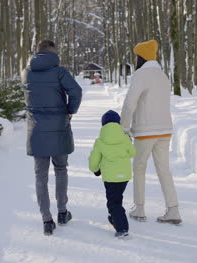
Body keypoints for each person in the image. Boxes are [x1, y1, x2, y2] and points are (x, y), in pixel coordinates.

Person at [22, 40, 82, 235]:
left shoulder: (26, 72)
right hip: (58, 127)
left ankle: (47, 219)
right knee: (61, 169)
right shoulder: (59, 72)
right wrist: (70, 110)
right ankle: (63, 212)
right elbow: (76, 91)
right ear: (52, 52)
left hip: (36, 129)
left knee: (40, 175)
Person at [120, 40, 182, 224]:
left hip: (145, 131)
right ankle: (173, 210)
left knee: (139, 168)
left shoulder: (141, 75)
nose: (135, 59)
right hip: (164, 130)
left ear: (141, 57)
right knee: (164, 170)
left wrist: (124, 127)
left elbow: (130, 103)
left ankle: (139, 208)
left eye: (136, 56)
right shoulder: (162, 75)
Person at [89, 110, 136, 238]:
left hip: (110, 178)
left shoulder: (100, 141)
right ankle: (114, 217)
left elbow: (94, 160)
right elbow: (132, 153)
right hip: (124, 176)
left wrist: (95, 170)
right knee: (117, 197)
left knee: (113, 202)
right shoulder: (125, 137)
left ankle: (122, 228)